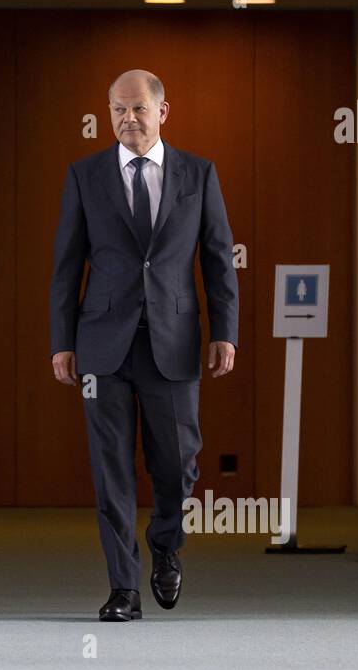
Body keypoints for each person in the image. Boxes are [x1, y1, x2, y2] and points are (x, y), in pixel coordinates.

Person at [49, 70, 238, 623]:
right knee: (111, 469)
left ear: (163, 111)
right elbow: (65, 267)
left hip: (173, 342)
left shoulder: (198, 174)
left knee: (178, 465)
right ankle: (122, 588)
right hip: (102, 345)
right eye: (117, 110)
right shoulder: (85, 175)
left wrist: (225, 331)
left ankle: (166, 544)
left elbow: (218, 259)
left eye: (137, 109)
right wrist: (62, 342)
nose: (127, 119)